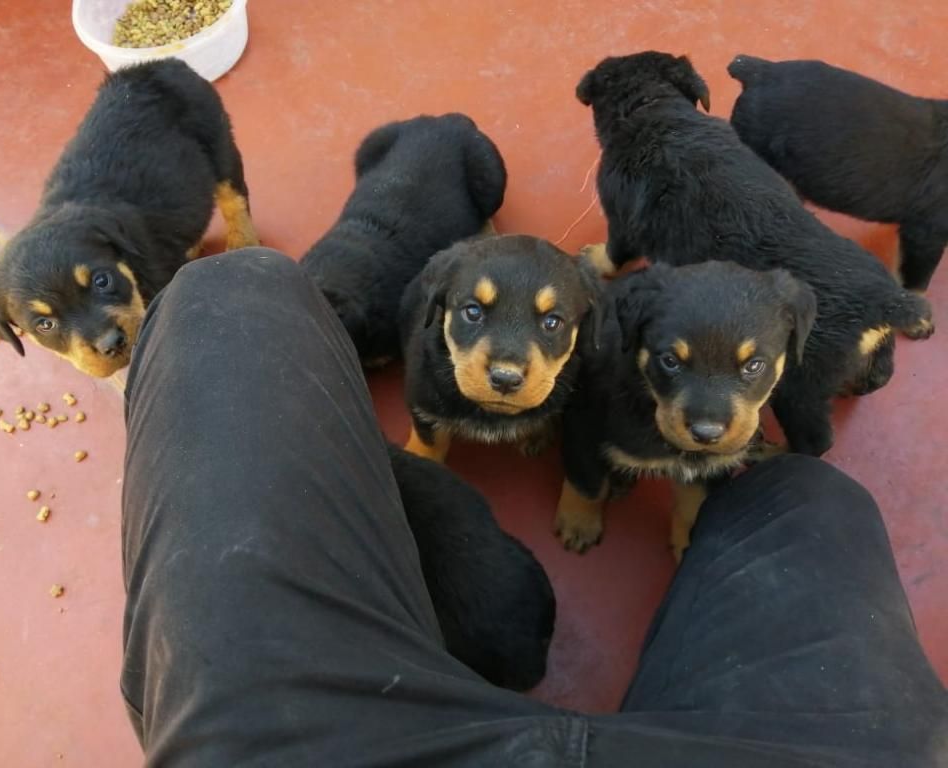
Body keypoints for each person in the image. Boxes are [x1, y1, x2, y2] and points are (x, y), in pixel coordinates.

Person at [120, 248, 948, 767]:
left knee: (227, 286)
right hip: (824, 748)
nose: (710, 414)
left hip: (300, 744)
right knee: (814, 493)